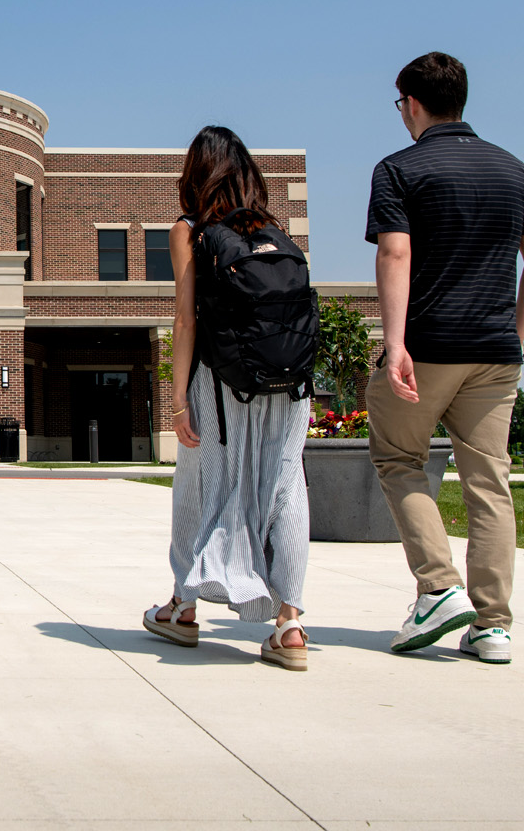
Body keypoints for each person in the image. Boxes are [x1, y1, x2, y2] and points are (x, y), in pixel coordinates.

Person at [366, 52, 524, 664]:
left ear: (413, 103)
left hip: (429, 346)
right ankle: (493, 625)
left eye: (400, 105)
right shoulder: (516, 170)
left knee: (399, 459)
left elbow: (395, 255)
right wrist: (516, 333)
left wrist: (394, 345)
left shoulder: (398, 170)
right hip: (496, 352)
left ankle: (439, 588)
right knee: (489, 483)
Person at [144, 126, 313, 671]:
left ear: (197, 174)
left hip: (222, 385)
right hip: (289, 385)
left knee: (199, 485)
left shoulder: (191, 230)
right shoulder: (273, 231)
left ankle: (182, 607)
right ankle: (289, 624)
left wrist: (177, 400)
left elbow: (185, 318)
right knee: (285, 487)